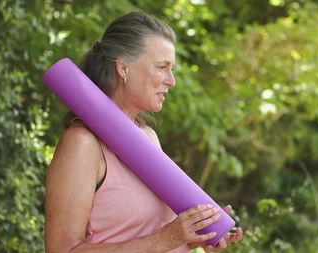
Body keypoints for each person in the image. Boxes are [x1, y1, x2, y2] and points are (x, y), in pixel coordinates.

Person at [45, 11, 242, 253]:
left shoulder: (147, 137)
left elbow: (146, 235)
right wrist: (164, 239)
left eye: (172, 69)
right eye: (162, 67)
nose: (172, 81)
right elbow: (61, 250)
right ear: (123, 68)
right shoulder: (82, 144)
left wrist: (193, 237)